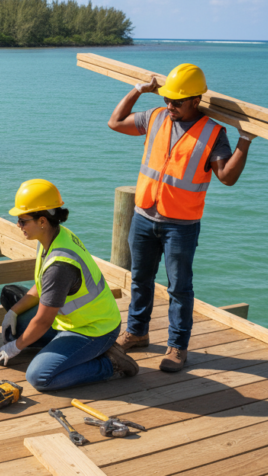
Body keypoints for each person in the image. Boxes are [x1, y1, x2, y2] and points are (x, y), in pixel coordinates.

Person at [107, 63, 255, 372]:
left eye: (177, 101)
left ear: (195, 100)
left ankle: (177, 347)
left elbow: (227, 177)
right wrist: (138, 89)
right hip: (144, 216)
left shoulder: (214, 133)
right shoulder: (156, 117)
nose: (169, 105)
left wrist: (246, 140)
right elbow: (115, 122)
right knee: (140, 278)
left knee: (179, 287)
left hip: (180, 225)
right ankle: (136, 332)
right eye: (166, 99)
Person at [0, 179, 136, 390]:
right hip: (67, 321)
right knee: (14, 327)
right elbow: (42, 287)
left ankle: (110, 363)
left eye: (22, 220)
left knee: (39, 376)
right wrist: (13, 311)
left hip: (93, 329)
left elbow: (42, 321)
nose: (18, 225)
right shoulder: (52, 237)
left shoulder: (60, 265)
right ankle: (71, 350)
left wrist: (15, 347)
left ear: (42, 221)